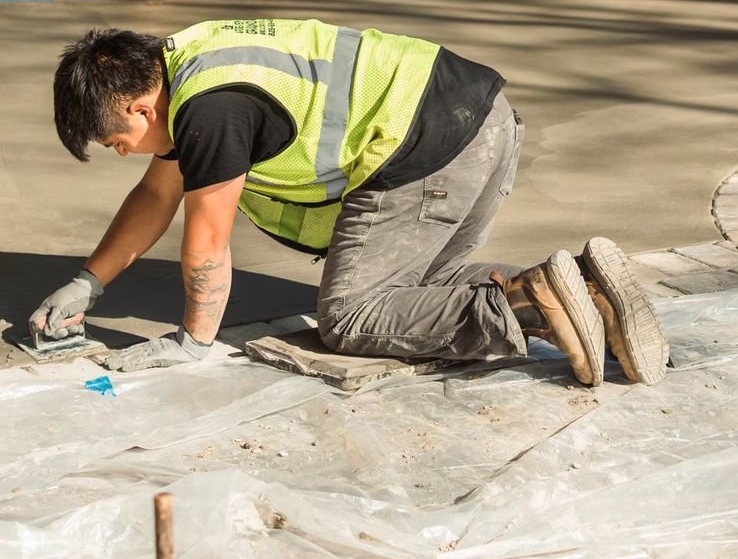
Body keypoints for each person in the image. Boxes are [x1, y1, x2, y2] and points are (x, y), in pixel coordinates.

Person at [33, 21, 668, 386]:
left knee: (353, 317)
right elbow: (156, 193)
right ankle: (585, 287)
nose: (124, 153)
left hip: (423, 147)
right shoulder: (187, 64)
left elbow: (207, 239)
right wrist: (87, 283)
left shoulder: (211, 110)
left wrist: (194, 343)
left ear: (141, 106)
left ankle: (533, 299)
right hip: (481, 122)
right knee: (423, 291)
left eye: (118, 140)